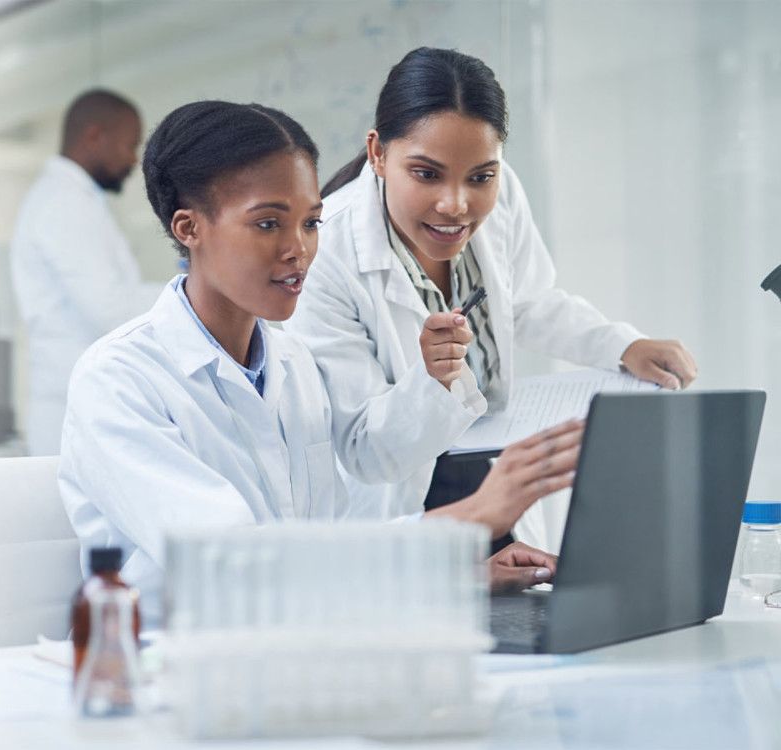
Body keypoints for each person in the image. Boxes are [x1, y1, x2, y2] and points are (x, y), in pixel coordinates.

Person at [58, 99, 580, 624]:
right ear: (189, 228)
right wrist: (469, 517)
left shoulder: (292, 365)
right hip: (171, 670)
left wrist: (456, 577)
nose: (299, 250)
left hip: (295, 649)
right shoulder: (119, 380)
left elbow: (323, 550)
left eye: (311, 223)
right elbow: (233, 564)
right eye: (268, 225)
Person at [284, 47, 697, 533]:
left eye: (481, 176)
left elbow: (527, 301)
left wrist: (622, 345)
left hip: (493, 476)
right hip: (400, 511)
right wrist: (433, 380)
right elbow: (363, 452)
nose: (456, 204)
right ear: (378, 153)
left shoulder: (503, 192)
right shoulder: (325, 251)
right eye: (426, 173)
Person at [11, 89, 165, 456]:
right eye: (130, 145)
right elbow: (109, 309)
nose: (134, 159)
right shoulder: (64, 205)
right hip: (73, 408)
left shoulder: (70, 201)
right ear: (94, 137)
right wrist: (198, 291)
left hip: (79, 401)